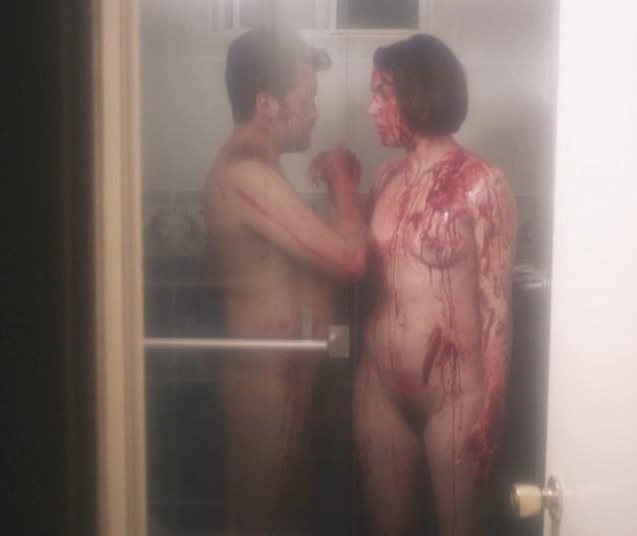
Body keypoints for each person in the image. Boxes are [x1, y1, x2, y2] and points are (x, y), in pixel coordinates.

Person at [203, 26, 367, 533]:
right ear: (267, 103)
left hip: (284, 388)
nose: (315, 112)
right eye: (307, 98)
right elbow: (349, 260)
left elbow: (310, 274)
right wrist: (344, 182)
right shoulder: (244, 175)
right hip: (262, 393)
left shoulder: (265, 174)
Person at [355, 34, 517, 536]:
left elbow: (497, 307)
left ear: (419, 93)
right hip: (379, 386)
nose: (371, 108)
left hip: (454, 395)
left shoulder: (482, 183)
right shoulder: (386, 177)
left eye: (383, 93)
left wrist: (493, 408)